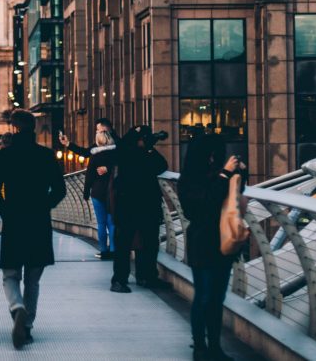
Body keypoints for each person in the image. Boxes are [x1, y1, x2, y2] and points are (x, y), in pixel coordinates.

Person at [0, 109, 66, 349]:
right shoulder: (45, 155)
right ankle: (28, 327)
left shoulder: (4, 156)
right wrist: (44, 205)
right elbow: (60, 190)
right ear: (33, 128)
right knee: (33, 279)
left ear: (13, 129)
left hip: (14, 221)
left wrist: (4, 209)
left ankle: (17, 308)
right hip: (38, 221)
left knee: (10, 274)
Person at [179, 134, 244, 361]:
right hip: (202, 241)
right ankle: (200, 346)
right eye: (212, 154)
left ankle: (214, 346)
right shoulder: (189, 179)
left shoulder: (218, 174)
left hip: (222, 243)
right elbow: (202, 205)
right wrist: (225, 174)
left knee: (217, 297)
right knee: (204, 296)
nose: (215, 158)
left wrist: (238, 174)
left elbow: (234, 199)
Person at [109, 125, 168, 293]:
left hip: (147, 204)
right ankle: (119, 280)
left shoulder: (145, 153)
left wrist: (149, 148)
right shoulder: (124, 151)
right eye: (143, 139)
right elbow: (127, 159)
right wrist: (144, 149)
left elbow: (162, 165)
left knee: (149, 242)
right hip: (128, 204)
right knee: (124, 244)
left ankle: (147, 276)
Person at [81, 127, 117, 259]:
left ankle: (103, 250)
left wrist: (85, 192)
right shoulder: (115, 155)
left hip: (97, 192)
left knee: (101, 223)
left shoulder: (95, 156)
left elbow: (89, 175)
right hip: (112, 191)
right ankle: (113, 250)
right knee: (111, 222)